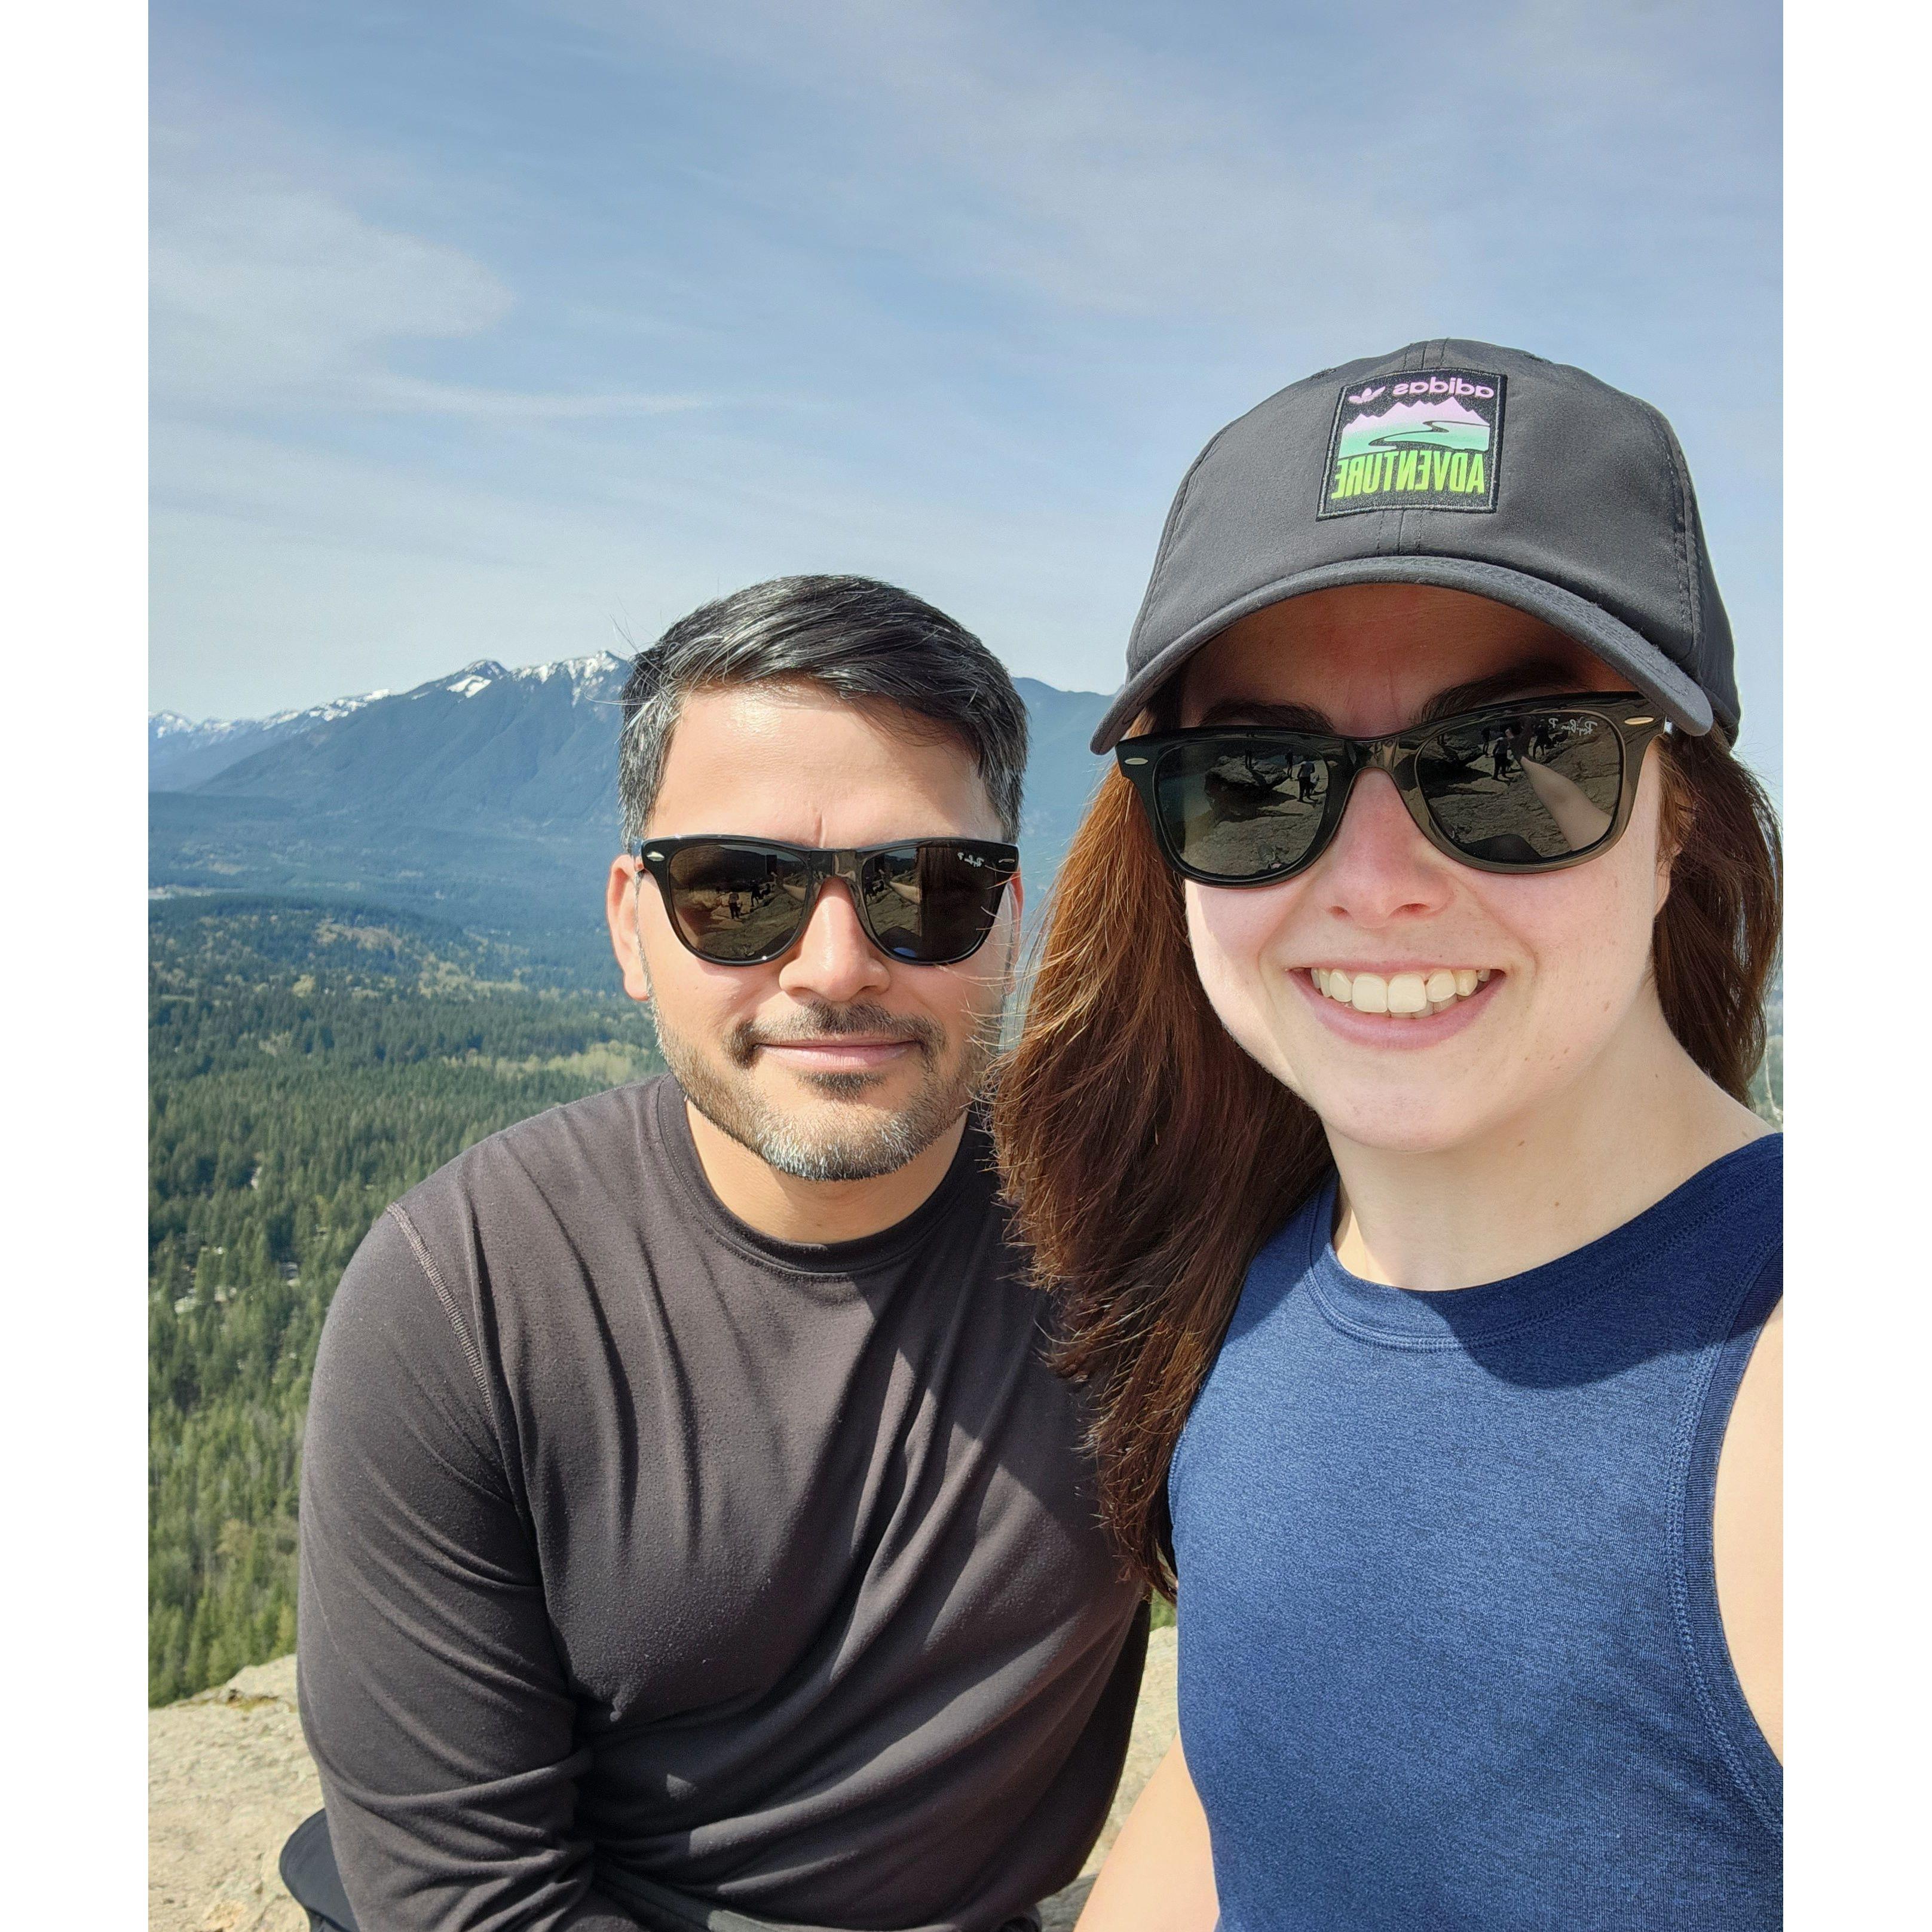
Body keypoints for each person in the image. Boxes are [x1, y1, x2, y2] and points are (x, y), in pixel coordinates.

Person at [996, 343, 1781, 1930]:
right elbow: (1243, 1791)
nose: (1373, 880)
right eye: (1255, 780)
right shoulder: (1258, 1277)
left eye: (1513, 763)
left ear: (1676, 814)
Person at [285, 576, 1148, 1932]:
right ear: (631, 924)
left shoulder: (1141, 1252)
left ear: (1013, 922)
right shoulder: (466, 1296)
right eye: (738, 890)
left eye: (926, 888)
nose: (836, 965)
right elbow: (472, 1904)